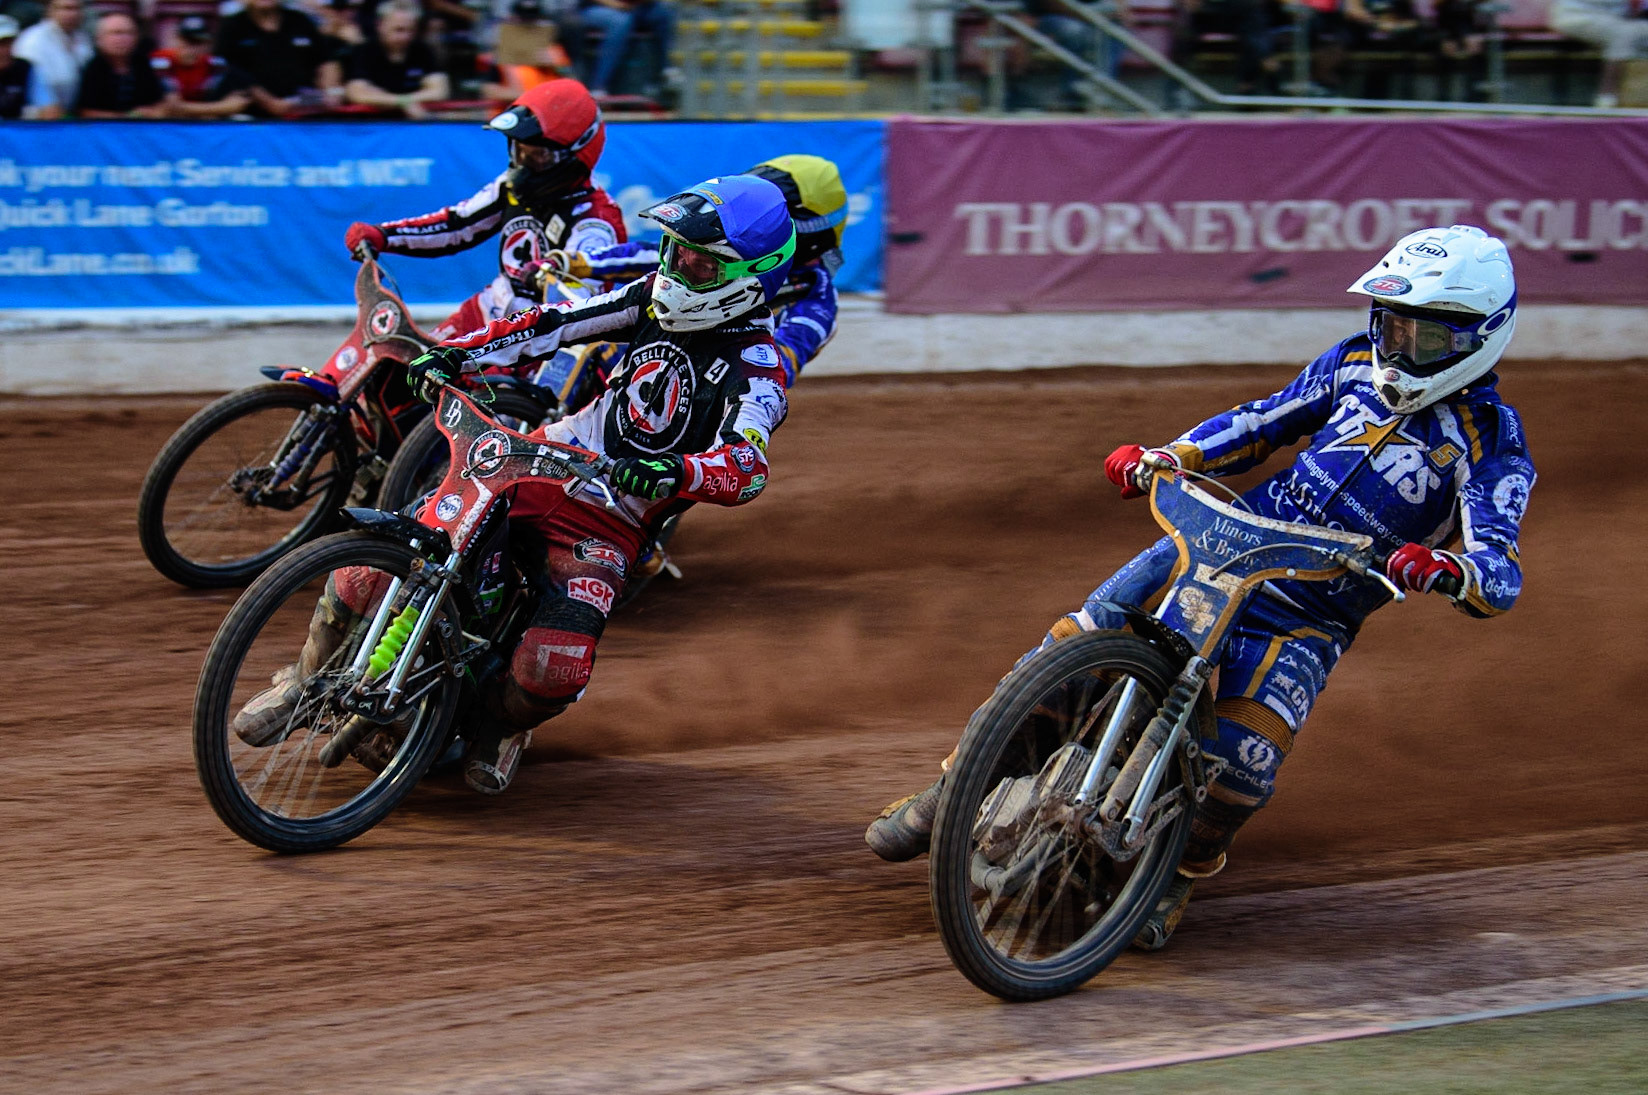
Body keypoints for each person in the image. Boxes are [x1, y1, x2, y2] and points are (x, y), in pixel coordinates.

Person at [866, 224, 1535, 951]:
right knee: (1067, 652)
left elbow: (1499, 571)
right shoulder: (1350, 364)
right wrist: (1170, 453)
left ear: (1481, 337)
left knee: (1245, 764)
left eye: (1426, 338)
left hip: (1312, 608)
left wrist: (1451, 568)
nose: (1400, 348)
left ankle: (1180, 867)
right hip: (1224, 539)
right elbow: (1261, 422)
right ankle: (954, 787)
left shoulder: (1491, 440)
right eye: (1392, 324)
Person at [235, 174, 797, 797]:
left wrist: (677, 470)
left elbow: (747, 466)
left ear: (751, 275)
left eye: (698, 259)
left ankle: (501, 728)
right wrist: (459, 354)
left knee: (551, 669)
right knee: (370, 568)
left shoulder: (759, 370)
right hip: (540, 461)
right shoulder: (649, 298)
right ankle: (302, 681)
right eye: (674, 246)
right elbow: (552, 322)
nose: (677, 263)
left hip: (611, 520)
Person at [342, 77, 625, 343]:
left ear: (574, 155)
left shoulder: (595, 225)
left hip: (535, 339)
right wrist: (383, 235)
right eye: (520, 151)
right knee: (406, 370)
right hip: (487, 310)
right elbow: (458, 225)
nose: (524, 164)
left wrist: (505, 356)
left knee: (449, 385)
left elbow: (572, 318)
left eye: (538, 155)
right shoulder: (512, 185)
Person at [538, 153, 848, 391]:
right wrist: (576, 262)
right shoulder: (730, 248)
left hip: (701, 398)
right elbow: (649, 253)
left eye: (775, 217)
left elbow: (779, 367)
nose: (761, 222)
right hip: (658, 354)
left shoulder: (817, 300)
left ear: (810, 231)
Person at [214, 0, 342, 116]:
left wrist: (330, 92)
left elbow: (326, 61)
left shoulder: (300, 20)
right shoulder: (232, 26)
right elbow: (231, 71)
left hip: (303, 104)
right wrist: (270, 102)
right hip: (253, 108)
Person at [343, 0, 448, 116]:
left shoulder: (423, 50)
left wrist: (384, 98)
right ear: (380, 25)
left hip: (414, 120)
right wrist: (403, 102)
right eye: (399, 30)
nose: (405, 37)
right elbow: (356, 93)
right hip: (371, 122)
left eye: (410, 30)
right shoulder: (364, 51)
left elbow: (439, 91)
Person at [1548, 0, 1648, 107]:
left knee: (1636, 32)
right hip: (1576, 15)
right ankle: (1607, 97)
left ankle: (1636, 98)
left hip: (1616, 20)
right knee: (1623, 35)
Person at [150, 14, 253, 118]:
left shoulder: (215, 64)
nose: (191, 48)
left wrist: (192, 109)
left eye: (198, 42)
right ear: (177, 40)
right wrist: (221, 107)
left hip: (203, 122)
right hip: (170, 123)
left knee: (243, 119)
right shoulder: (161, 61)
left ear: (206, 43)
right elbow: (172, 107)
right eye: (187, 40)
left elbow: (239, 103)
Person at [75, 11, 166, 117]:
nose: (123, 39)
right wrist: (127, 116)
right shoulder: (92, 68)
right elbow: (86, 112)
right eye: (116, 33)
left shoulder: (143, 64)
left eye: (130, 33)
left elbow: (159, 103)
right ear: (99, 39)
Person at [579, 0, 674, 97]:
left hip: (635, 8)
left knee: (663, 14)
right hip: (594, 8)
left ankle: (666, 72)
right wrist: (617, 5)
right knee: (620, 22)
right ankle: (598, 86)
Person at [12, 0, 90, 117]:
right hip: (39, 118)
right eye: (66, 8)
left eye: (76, 9)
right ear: (50, 10)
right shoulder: (32, 40)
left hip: (76, 114)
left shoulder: (83, 38)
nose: (72, 14)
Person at [0, 13, 51, 118]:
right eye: (1, 44)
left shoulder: (25, 68)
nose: (4, 50)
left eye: (8, 43)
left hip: (15, 132)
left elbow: (50, 110)